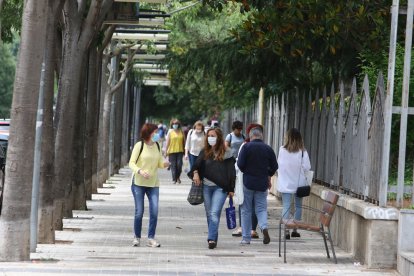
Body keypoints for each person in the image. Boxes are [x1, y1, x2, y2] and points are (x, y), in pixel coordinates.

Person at [189, 128, 236, 249]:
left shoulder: (227, 152)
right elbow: (196, 166)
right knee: (209, 214)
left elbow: (231, 171)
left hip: (220, 188)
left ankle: (210, 239)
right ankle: (214, 237)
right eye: (209, 136)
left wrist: (231, 189)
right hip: (206, 187)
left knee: (214, 213)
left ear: (219, 137)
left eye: (213, 136)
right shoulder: (204, 151)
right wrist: (195, 173)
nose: (211, 138)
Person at [129, 123, 169, 247]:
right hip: (138, 183)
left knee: (154, 211)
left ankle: (151, 238)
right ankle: (137, 237)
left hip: (153, 184)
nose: (157, 134)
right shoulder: (139, 146)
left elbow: (159, 163)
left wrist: (165, 164)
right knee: (139, 211)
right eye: (155, 132)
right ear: (148, 133)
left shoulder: (157, 145)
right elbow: (131, 163)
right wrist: (140, 171)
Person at [237, 126, 278, 245]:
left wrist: (247, 171)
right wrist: (267, 174)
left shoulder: (246, 147)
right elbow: (275, 166)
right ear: (261, 136)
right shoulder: (268, 148)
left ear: (250, 136)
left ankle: (246, 238)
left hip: (248, 182)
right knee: (261, 208)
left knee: (246, 210)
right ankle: (264, 227)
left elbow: (240, 164)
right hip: (262, 183)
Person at [276, 128, 311, 239]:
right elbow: (307, 168)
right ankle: (295, 229)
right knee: (298, 206)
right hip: (299, 184)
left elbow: (279, 165)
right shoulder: (302, 152)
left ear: (288, 138)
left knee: (286, 206)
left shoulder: (282, 150)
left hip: (285, 183)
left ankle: (286, 230)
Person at [232, 123, 261, 239]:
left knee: (243, 203)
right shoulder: (265, 146)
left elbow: (239, 164)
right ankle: (253, 229)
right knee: (256, 205)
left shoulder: (245, 145)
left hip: (245, 179)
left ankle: (243, 228)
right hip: (260, 180)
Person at [165, 119, 185, 184]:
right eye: (173, 124)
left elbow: (184, 141)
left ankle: (178, 177)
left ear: (178, 125)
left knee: (179, 165)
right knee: (173, 166)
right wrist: (165, 151)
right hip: (171, 151)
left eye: (176, 124)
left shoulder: (181, 132)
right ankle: (174, 179)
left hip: (180, 151)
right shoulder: (170, 132)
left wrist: (186, 151)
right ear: (172, 125)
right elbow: (167, 142)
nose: (175, 125)